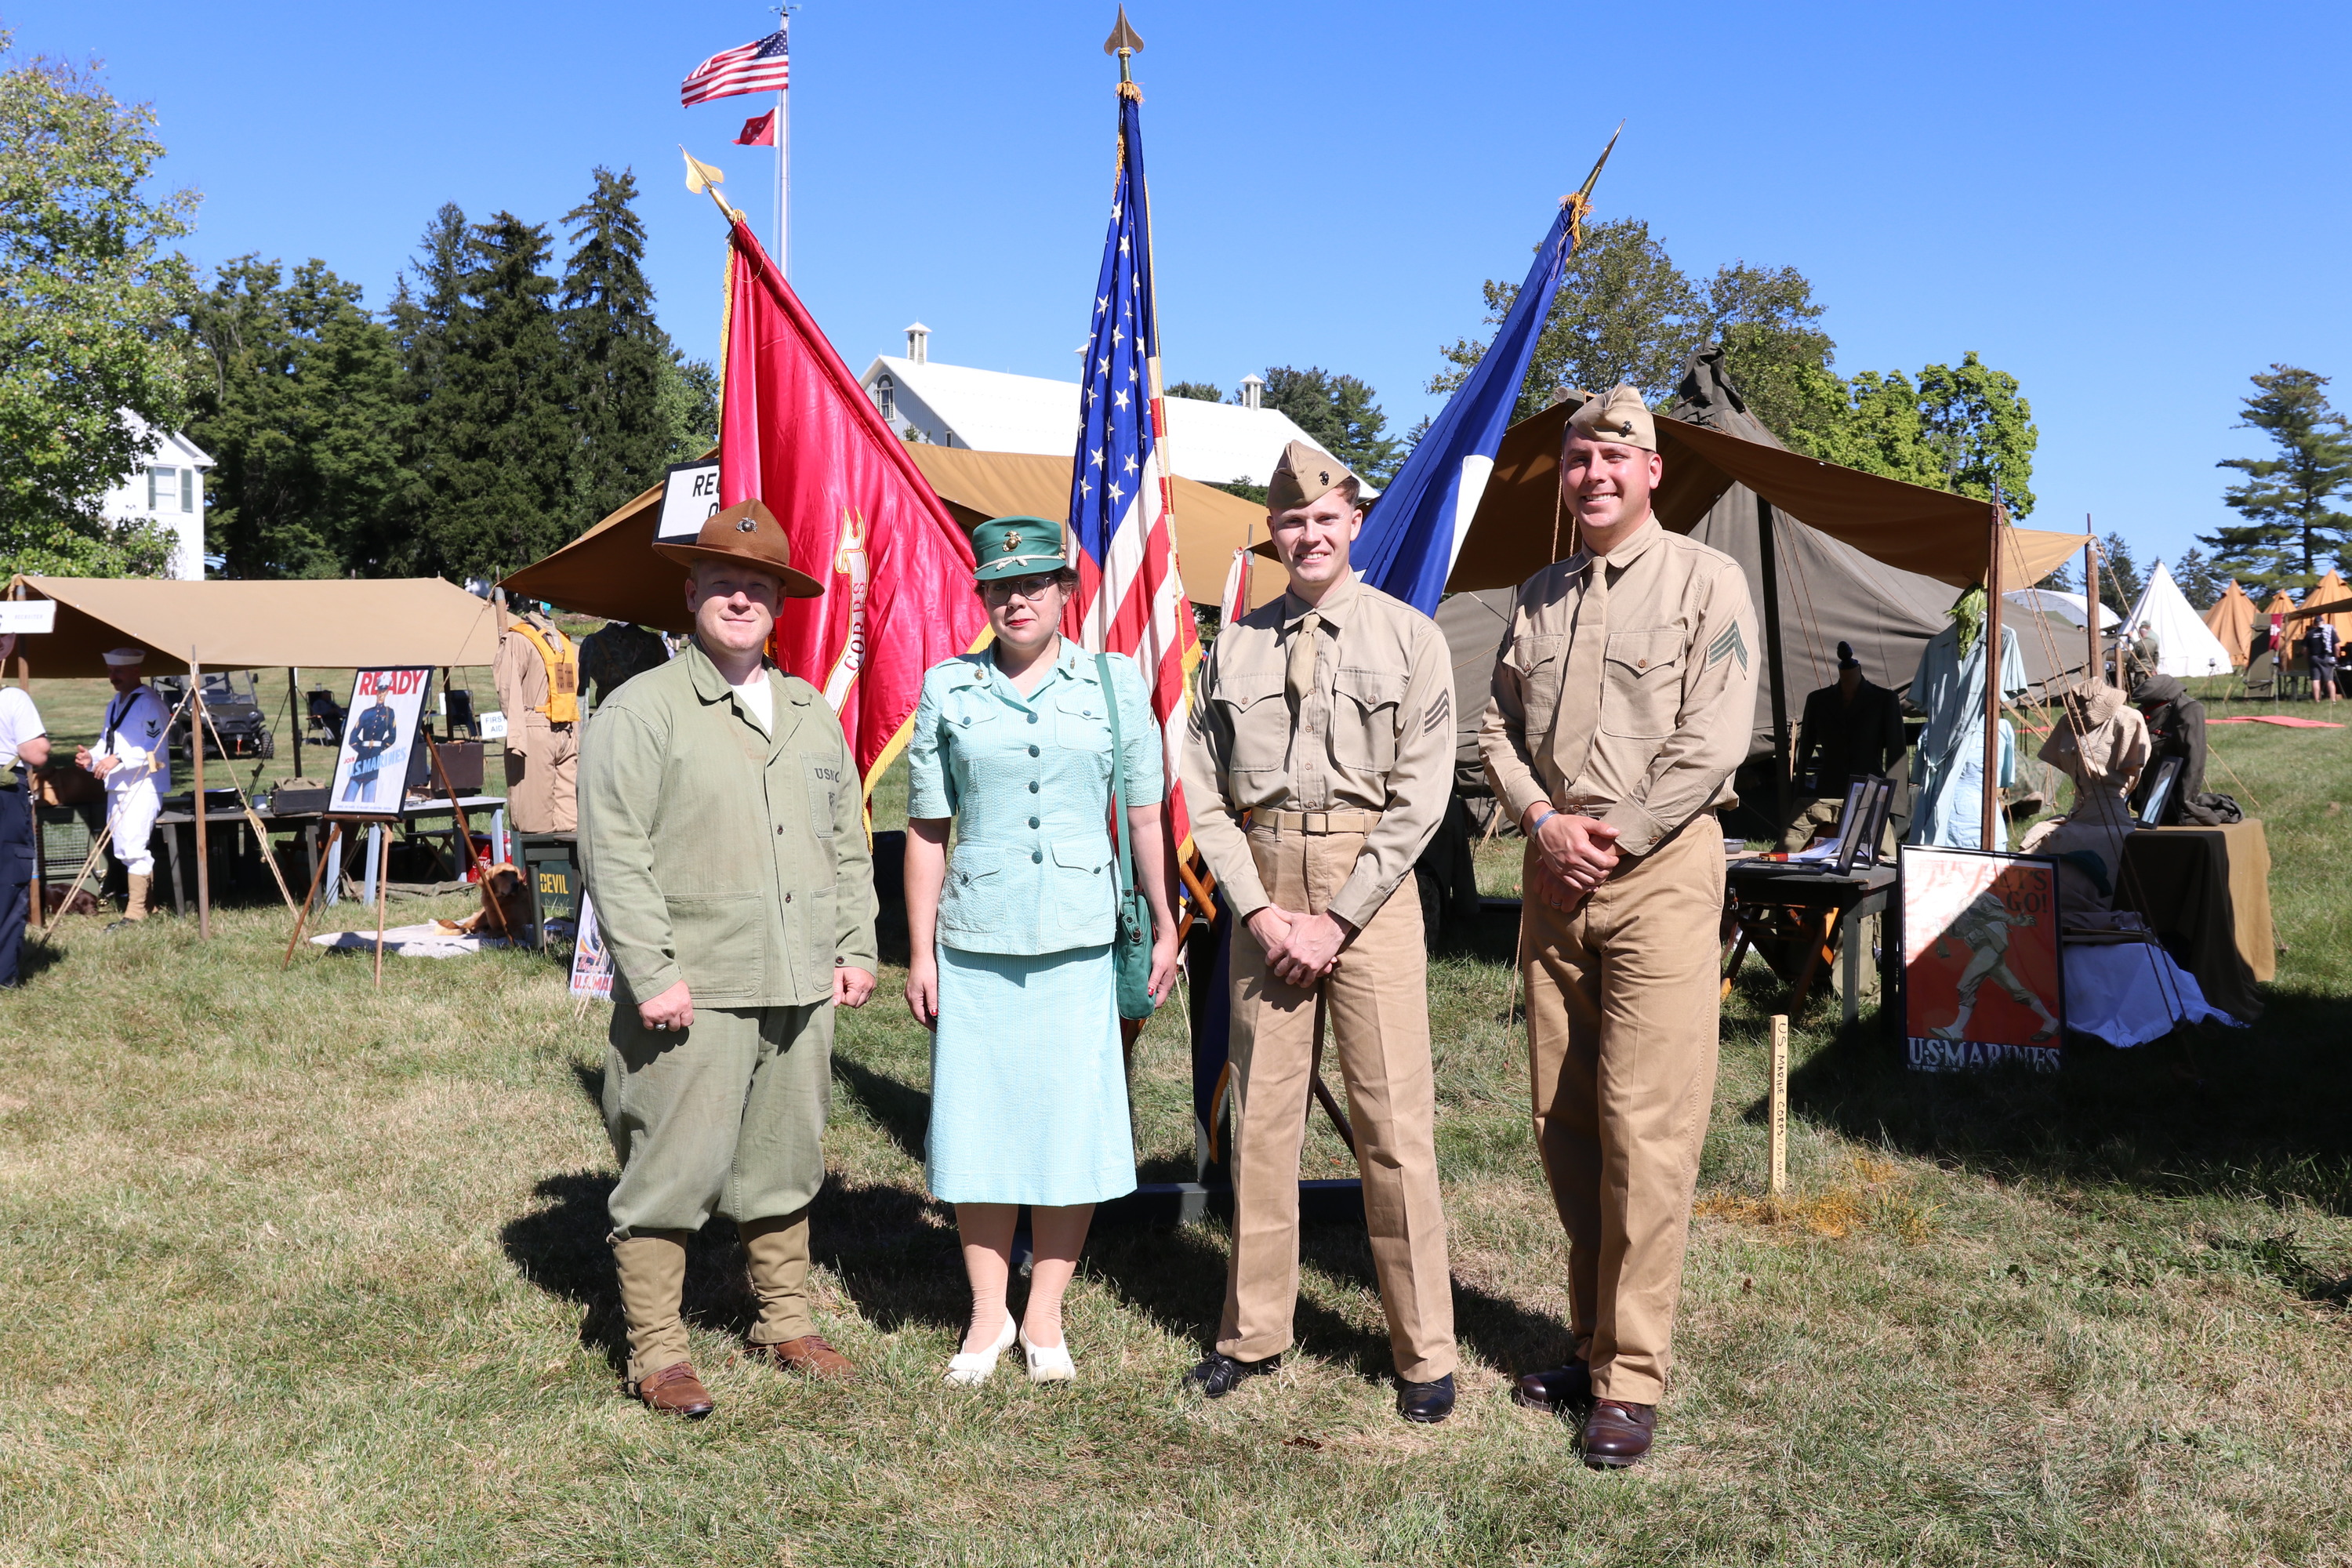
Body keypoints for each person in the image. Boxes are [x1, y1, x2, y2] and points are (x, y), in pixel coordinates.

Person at [1479, 385, 1759, 1468]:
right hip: (1555, 877)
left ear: (1651, 472)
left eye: (1616, 457)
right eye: (1578, 459)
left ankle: (1632, 1378)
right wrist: (1544, 821)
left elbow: (1715, 737)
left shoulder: (1707, 581)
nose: (1594, 474)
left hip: (1657, 878)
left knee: (1647, 1129)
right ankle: (1592, 1344)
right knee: (1567, 1126)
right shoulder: (1538, 594)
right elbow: (1496, 724)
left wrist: (1617, 834)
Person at [577, 499, 879, 1418]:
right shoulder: (643, 709)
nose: (741, 597)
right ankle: (659, 1349)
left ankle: (784, 1319)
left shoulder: (809, 712)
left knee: (786, 1159)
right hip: (694, 984)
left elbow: (847, 838)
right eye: (724, 582)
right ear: (691, 592)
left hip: (799, 975)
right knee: (672, 1166)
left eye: (760, 585)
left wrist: (856, 942)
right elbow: (612, 848)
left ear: (780, 603)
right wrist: (652, 968)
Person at [1178, 441, 1461, 1425]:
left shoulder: (1412, 638)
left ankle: (1424, 1349)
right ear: (1274, 534)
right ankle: (1252, 1332)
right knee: (1262, 1125)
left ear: (1354, 523)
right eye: (1291, 522)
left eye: (1326, 517)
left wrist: (1337, 918)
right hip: (1264, 882)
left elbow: (1422, 797)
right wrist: (1258, 909)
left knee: (1392, 1125)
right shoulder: (1237, 645)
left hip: (1369, 893)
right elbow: (1204, 794)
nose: (1309, 535)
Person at [902, 516, 1179, 1386]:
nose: (1015, 598)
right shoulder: (948, 688)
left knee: (1070, 1123)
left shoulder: (1113, 682)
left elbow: (1141, 815)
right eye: (997, 586)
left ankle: (1045, 1314)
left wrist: (1165, 920)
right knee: (977, 1122)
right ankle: (987, 1314)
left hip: (1078, 934)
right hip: (977, 934)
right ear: (981, 596)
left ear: (1065, 593)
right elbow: (925, 829)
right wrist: (920, 951)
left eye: (1033, 584)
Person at [77, 648, 171, 932]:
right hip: (118, 785)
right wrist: (91, 758)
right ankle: (150, 905)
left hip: (143, 785)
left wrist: (117, 759)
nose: (112, 677)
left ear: (134, 671)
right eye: (110, 672)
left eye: (118, 671)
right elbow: (107, 744)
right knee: (122, 848)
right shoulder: (115, 704)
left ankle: (135, 914)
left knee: (133, 847)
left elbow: (155, 749)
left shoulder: (150, 704)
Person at [1780, 640, 1905, 852]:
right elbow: (1805, 750)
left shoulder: (1884, 700)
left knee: (1870, 854)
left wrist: (1895, 806)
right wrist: (1798, 795)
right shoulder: (1818, 700)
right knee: (1821, 850)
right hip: (1827, 792)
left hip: (1869, 789)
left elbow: (1897, 753)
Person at [495, 598, 581, 833]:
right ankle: (539, 867)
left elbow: (573, 688)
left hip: (563, 729)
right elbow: (509, 690)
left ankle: (564, 866)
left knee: (569, 819)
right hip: (540, 726)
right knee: (534, 816)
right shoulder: (521, 639)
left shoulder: (561, 640)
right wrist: (517, 735)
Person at [1929, 887, 2056, 1042]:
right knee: (2017, 990)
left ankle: (1956, 1030)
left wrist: (2015, 921)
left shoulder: (1970, 900)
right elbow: (1960, 932)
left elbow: (1990, 914)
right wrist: (1939, 930)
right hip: (1984, 948)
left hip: (1989, 945)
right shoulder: (1958, 908)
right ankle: (2051, 1021)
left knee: (1965, 986)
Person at [0, 639, 49, 985]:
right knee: (7, 882)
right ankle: (3, 976)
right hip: (4, 796)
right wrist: (44, 743)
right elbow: (35, 754)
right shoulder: (13, 698)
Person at [341, 691, 399, 807]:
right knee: (354, 782)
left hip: (375, 754)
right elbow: (353, 737)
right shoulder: (367, 713)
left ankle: (371, 820)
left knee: (370, 784)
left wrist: (379, 748)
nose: (381, 695)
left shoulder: (389, 712)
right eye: (379, 692)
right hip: (362, 754)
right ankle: (343, 812)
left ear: (387, 694)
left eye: (384, 693)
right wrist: (361, 749)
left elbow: (392, 736)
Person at [2305, 616, 2339, 702]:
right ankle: (2333, 700)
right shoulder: (2330, 632)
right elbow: (2337, 647)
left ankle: (2317, 700)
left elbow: (2304, 649)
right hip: (2326, 657)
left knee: (2316, 680)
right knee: (2329, 680)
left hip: (2314, 658)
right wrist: (2336, 657)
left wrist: (2307, 659)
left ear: (2314, 624)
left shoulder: (2310, 633)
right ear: (2323, 622)